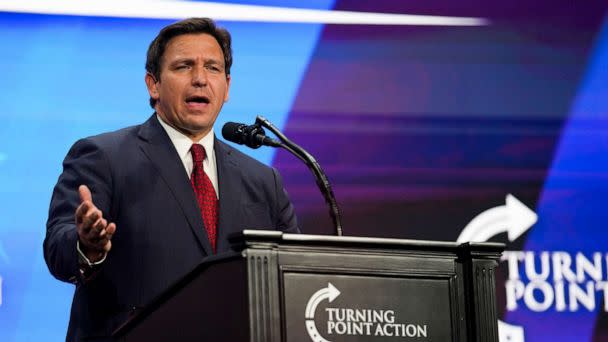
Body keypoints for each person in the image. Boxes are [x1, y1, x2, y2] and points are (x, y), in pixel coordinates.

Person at [44, 17, 299, 341]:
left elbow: (294, 272)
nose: (200, 79)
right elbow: (57, 248)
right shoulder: (104, 156)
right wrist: (87, 246)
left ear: (227, 87)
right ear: (153, 84)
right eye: (183, 66)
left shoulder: (264, 182)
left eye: (212, 68)